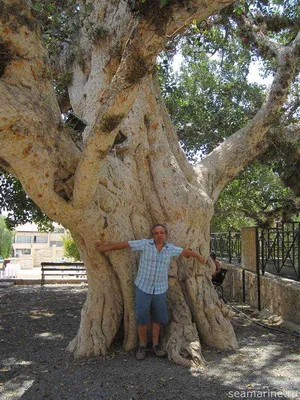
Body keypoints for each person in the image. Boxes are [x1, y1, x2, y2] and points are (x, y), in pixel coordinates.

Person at [96, 224, 206, 360]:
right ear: (153, 235)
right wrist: (107, 248)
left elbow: (185, 252)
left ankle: (155, 345)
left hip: (160, 289)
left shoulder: (170, 249)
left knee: (158, 318)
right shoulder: (145, 244)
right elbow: (126, 245)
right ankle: (142, 346)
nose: (159, 235)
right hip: (143, 287)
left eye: (161, 233)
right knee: (142, 316)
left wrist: (198, 256)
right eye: (156, 233)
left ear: (165, 234)